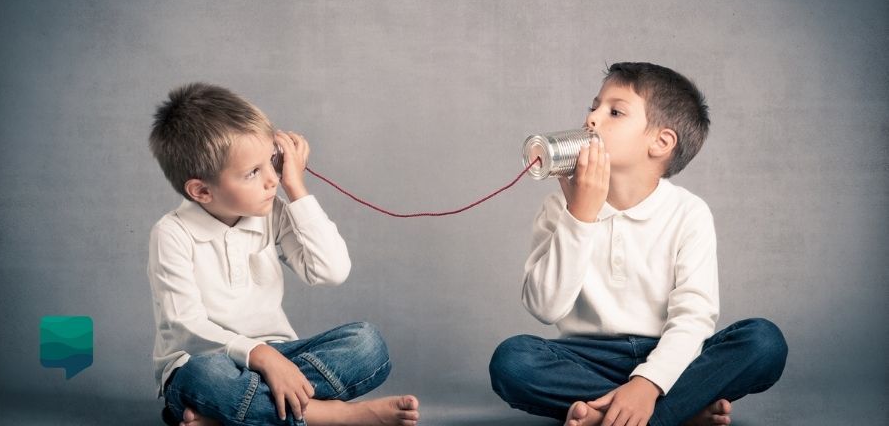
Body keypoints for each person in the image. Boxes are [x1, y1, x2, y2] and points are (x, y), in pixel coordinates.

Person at [489, 62, 787, 426]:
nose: (592, 119)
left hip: (671, 353)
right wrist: (579, 217)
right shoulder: (558, 208)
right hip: (588, 356)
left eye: (614, 111)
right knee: (513, 361)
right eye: (593, 106)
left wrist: (648, 382)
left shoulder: (688, 212)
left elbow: (694, 318)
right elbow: (544, 308)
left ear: (660, 142)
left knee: (764, 342)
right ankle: (677, 411)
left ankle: (634, 411)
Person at [147, 83, 419, 426]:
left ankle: (229, 417)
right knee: (205, 376)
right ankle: (334, 416)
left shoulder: (271, 212)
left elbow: (330, 270)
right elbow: (187, 328)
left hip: (281, 356)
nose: (271, 180)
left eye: (270, 163)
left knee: (367, 344)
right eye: (252, 173)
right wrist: (258, 355)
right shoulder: (172, 233)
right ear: (201, 190)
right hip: (208, 360)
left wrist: (297, 188)